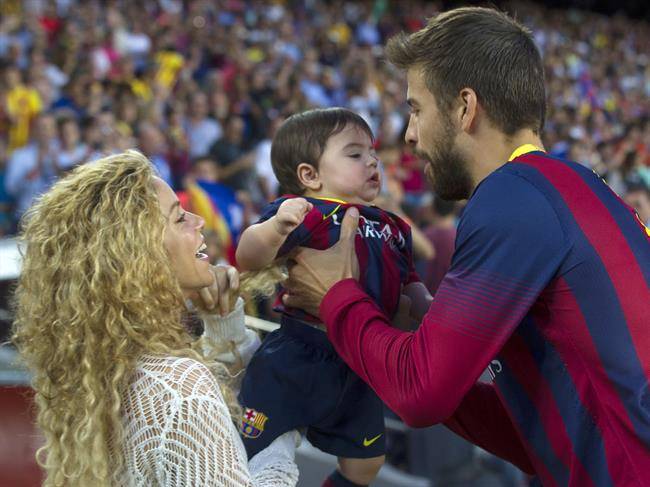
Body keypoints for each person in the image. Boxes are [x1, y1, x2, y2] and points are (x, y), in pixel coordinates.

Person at [283, 7, 650, 487]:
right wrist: (417, 335)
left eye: (416, 110)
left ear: (464, 107)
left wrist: (336, 299)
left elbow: (420, 394)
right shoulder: (579, 185)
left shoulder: (510, 194)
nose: (410, 135)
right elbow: (547, 430)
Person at [11, 150, 299, 486]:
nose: (199, 220)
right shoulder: (178, 388)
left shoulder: (103, 371)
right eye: (179, 218)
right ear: (138, 255)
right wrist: (280, 435)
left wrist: (224, 324)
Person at [235, 108, 432, 487]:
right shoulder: (309, 213)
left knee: (367, 464)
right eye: (355, 154)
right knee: (252, 445)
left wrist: (428, 306)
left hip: (361, 358)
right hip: (299, 354)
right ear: (310, 175)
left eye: (372, 152)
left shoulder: (392, 225)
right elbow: (248, 255)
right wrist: (275, 227)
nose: (372, 161)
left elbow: (409, 281)